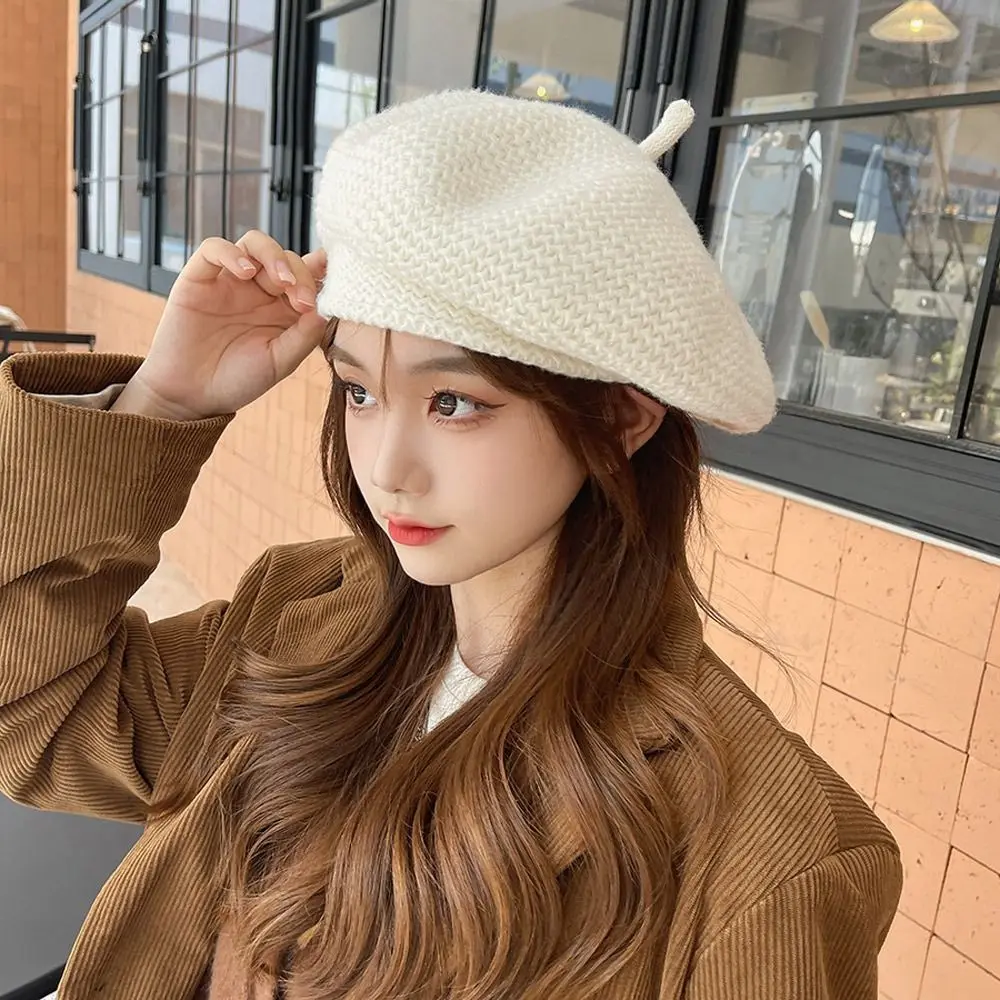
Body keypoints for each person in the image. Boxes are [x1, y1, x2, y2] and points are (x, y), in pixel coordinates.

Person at [0, 90, 901, 1000]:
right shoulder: (296, 618)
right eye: (359, 392)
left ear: (622, 419)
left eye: (455, 403)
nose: (387, 468)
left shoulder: (767, 855)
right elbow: (30, 712)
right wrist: (164, 401)